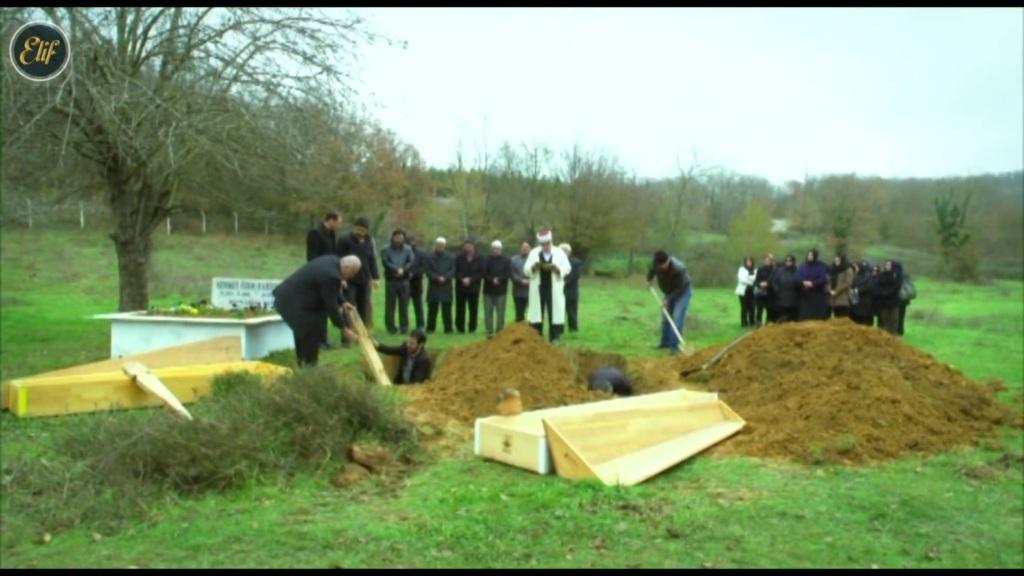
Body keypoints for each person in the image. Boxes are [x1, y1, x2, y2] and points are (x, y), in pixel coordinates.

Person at [273, 254, 360, 367]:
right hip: (294, 302)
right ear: (346, 267)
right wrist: (343, 328)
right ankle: (309, 369)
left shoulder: (333, 260)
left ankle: (303, 367)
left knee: (306, 333)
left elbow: (331, 289)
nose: (352, 276)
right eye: (352, 273)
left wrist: (343, 302)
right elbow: (331, 306)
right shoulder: (331, 275)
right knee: (310, 333)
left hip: (294, 299)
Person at [524, 228, 572, 342]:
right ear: (540, 244)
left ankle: (555, 338)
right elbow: (526, 269)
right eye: (543, 244)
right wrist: (533, 267)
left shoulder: (559, 252)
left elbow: (567, 267)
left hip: (554, 288)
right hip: (538, 288)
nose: (546, 246)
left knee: (555, 313)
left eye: (548, 243)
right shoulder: (534, 253)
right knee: (536, 313)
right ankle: (536, 338)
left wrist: (557, 269)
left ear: (551, 241)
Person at [335, 215, 380, 332]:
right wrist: (341, 278)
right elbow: (337, 259)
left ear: (367, 231)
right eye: (358, 229)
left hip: (364, 279)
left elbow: (372, 259)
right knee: (349, 305)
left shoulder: (369, 241)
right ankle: (347, 332)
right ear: (354, 227)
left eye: (363, 230)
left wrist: (375, 277)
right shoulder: (344, 240)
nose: (360, 232)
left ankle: (362, 332)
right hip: (349, 280)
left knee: (364, 306)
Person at [306, 211, 342, 349]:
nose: (339, 226)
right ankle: (317, 339)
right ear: (331, 220)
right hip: (319, 274)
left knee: (325, 309)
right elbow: (312, 256)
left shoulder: (332, 234)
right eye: (338, 222)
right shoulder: (315, 233)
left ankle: (324, 338)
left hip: (329, 273)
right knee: (318, 308)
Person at [646, 250, 693, 355]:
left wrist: (667, 299)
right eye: (659, 266)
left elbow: (679, 288)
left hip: (682, 292)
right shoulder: (656, 264)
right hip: (669, 291)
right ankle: (664, 342)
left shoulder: (679, 269)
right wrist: (649, 280)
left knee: (676, 318)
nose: (661, 268)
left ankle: (674, 347)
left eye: (662, 266)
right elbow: (651, 271)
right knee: (666, 317)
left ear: (667, 261)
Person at [381, 228, 415, 335]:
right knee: (390, 305)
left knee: (404, 305)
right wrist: (396, 269)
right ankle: (390, 327)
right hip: (391, 280)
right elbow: (385, 261)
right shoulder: (386, 249)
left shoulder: (408, 249)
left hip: (404, 280)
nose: (398, 239)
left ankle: (404, 327)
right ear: (392, 237)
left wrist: (403, 270)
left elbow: (411, 261)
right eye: (396, 237)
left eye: (401, 237)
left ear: (404, 238)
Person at [425, 237, 455, 334]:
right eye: (438, 245)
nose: (439, 247)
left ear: (444, 246)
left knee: (447, 309)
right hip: (434, 285)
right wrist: (436, 277)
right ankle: (430, 328)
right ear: (435, 245)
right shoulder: (429, 257)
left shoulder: (450, 257)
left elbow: (453, 270)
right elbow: (427, 270)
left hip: (446, 286)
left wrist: (445, 277)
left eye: (441, 245)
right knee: (432, 308)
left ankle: (448, 329)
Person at [454, 239, 485, 333]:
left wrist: (471, 279)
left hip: (474, 287)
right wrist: (462, 279)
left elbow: (481, 272)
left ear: (473, 247)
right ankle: (460, 328)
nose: (467, 248)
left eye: (469, 246)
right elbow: (455, 270)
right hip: (460, 287)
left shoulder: (480, 258)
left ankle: (472, 328)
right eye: (466, 247)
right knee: (460, 308)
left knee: (473, 308)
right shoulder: (459, 257)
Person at [482, 240, 511, 337]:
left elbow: (508, 273)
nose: (496, 250)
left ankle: (500, 331)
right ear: (491, 249)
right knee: (488, 313)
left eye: (498, 249)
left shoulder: (506, 260)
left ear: (501, 249)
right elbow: (484, 272)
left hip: (501, 290)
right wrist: (492, 279)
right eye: (494, 248)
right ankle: (489, 331)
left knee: (500, 313)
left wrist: (499, 279)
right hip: (488, 290)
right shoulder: (486, 259)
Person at [797, 248, 830, 321]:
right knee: (805, 316)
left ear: (815, 256)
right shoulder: (803, 266)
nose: (810, 257)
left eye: (811, 255)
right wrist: (803, 282)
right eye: (809, 255)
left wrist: (813, 283)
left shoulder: (820, 266)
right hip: (805, 295)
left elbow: (823, 278)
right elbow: (798, 276)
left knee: (817, 316)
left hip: (817, 294)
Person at [875, 259, 903, 335]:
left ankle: (893, 335)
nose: (886, 266)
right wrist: (882, 292)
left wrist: (887, 292)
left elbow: (897, 286)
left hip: (894, 301)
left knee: (894, 319)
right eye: (886, 265)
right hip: (883, 301)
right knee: (885, 319)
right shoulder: (882, 275)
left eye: (888, 265)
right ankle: (886, 334)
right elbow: (878, 284)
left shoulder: (896, 275)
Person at [770, 254, 800, 323]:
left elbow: (800, 283)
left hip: (793, 298)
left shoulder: (797, 271)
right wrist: (777, 290)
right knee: (782, 318)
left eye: (790, 261)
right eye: (786, 261)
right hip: (781, 298)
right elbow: (774, 282)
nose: (788, 262)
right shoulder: (780, 271)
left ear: (793, 262)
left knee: (793, 319)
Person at [407, 234, 427, 331]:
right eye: (410, 241)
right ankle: (404, 325)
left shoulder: (420, 253)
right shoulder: (404, 252)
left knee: (418, 306)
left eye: (413, 240)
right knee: (404, 306)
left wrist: (414, 273)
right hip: (405, 282)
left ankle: (421, 325)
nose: (412, 243)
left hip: (416, 283)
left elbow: (423, 267)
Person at [561, 243, 583, 333]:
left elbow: (576, 275)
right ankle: (559, 329)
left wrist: (564, 282)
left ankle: (573, 329)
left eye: (564, 251)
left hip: (571, 290)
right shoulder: (556, 262)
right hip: (559, 291)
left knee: (572, 311)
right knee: (559, 312)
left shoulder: (576, 262)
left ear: (568, 252)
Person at [509, 241, 531, 322]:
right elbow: (511, 273)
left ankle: (532, 328)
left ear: (530, 249)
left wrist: (530, 281)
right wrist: (520, 280)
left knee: (533, 314)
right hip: (518, 291)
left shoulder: (534, 259)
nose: (525, 249)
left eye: (527, 247)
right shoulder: (513, 259)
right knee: (519, 314)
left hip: (531, 291)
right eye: (523, 247)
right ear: (520, 248)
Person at [850, 260, 876, 326]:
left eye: (857, 267)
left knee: (864, 322)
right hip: (857, 302)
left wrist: (857, 290)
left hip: (864, 303)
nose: (855, 269)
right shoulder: (856, 276)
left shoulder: (867, 276)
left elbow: (868, 287)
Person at [828, 254, 856, 319]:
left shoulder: (848, 270)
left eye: (838, 260)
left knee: (843, 318)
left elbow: (848, 283)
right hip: (832, 298)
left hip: (844, 298)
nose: (836, 262)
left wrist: (836, 291)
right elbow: (828, 281)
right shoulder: (833, 270)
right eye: (835, 260)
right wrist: (830, 290)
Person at [753, 253, 776, 326]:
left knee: (770, 309)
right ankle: (758, 323)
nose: (767, 261)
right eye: (766, 260)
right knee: (759, 309)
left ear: (771, 261)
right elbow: (756, 281)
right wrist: (760, 284)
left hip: (770, 292)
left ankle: (768, 322)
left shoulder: (774, 269)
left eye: (769, 260)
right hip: (761, 292)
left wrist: (768, 284)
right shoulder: (760, 269)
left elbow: (776, 280)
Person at [735, 256, 756, 327]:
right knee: (744, 307)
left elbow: (755, 279)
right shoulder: (742, 269)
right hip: (743, 291)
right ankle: (744, 323)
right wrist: (751, 280)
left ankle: (752, 322)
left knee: (752, 307)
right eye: (747, 261)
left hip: (752, 291)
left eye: (750, 261)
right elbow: (742, 279)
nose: (749, 263)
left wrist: (748, 278)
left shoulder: (755, 269)